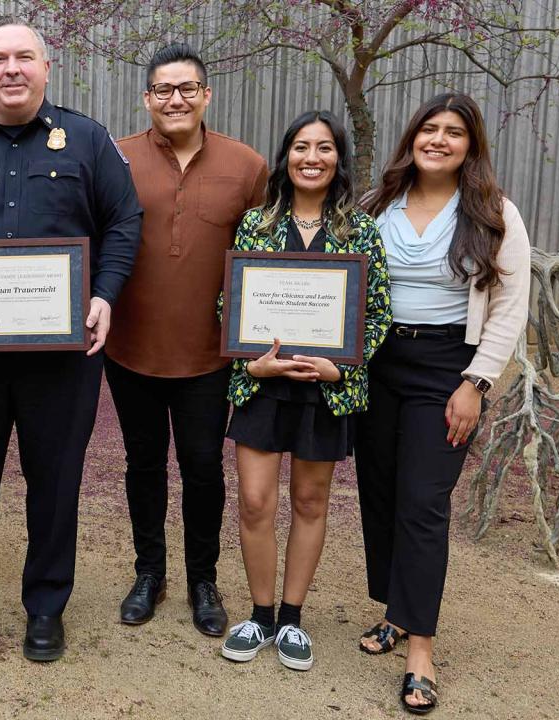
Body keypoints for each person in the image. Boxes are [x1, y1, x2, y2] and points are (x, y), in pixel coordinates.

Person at [0, 20, 142, 662]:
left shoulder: (88, 139)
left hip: (61, 357)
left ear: (46, 68)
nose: (11, 69)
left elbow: (125, 219)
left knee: (55, 477)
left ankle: (46, 605)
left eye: (24, 58)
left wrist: (105, 293)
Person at [356, 93, 531, 714]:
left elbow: (510, 309)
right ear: (412, 138)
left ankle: (421, 650)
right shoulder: (378, 207)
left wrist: (476, 384)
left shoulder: (493, 213)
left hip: (446, 368)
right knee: (378, 492)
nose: (439, 140)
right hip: (376, 364)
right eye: (429, 129)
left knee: (424, 503)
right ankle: (395, 612)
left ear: (470, 145)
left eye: (453, 132)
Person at [217, 111, 391, 671]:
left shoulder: (360, 229)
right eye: (299, 147)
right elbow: (230, 305)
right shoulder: (256, 224)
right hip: (264, 386)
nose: (310, 158)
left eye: (323, 148)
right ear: (285, 156)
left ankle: (292, 619)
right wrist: (255, 365)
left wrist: (342, 369)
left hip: (326, 390)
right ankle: (260, 615)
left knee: (311, 502)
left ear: (339, 158)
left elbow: (378, 312)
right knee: (254, 502)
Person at [107, 43, 267, 635]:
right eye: (163, 90)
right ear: (147, 98)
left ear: (206, 96)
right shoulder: (114, 160)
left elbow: (264, 261)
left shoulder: (247, 166)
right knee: (142, 464)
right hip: (131, 349)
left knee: (203, 467)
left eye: (187, 89)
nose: (175, 99)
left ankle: (203, 577)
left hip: (209, 355)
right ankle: (150, 571)